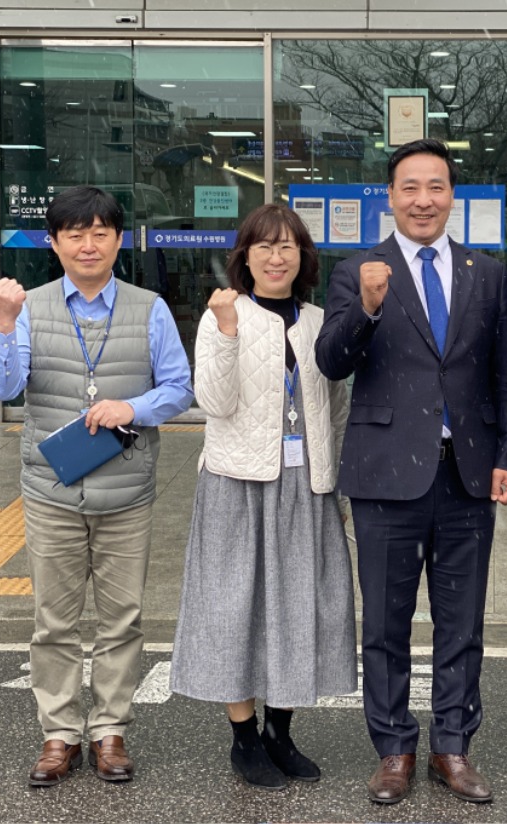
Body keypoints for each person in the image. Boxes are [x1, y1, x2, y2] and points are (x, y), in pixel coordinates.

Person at [315, 138, 507, 805]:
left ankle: (453, 747)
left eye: (436, 186)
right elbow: (330, 361)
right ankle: (394, 748)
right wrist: (368, 308)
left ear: (451, 197)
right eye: (410, 187)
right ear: (391, 196)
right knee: (385, 621)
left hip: (465, 472)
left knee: (462, 623)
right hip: (385, 475)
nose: (423, 199)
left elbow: (504, 374)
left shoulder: (486, 273)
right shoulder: (358, 270)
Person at [0, 185, 194, 786]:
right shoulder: (29, 309)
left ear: (119, 240)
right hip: (51, 491)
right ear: (54, 243)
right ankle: (58, 734)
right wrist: (2, 324)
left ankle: (110, 732)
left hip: (126, 491)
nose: (88, 243)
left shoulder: (149, 307)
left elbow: (180, 387)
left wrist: (134, 406)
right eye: (74, 233)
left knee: (121, 619)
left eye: (100, 232)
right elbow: (3, 388)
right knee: (55, 620)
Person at [169, 204, 356, 790]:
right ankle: (244, 739)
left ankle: (281, 730)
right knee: (236, 609)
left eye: (288, 247)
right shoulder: (223, 317)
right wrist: (226, 333)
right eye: (263, 246)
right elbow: (215, 403)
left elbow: (339, 408)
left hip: (307, 483)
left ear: (303, 257)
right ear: (244, 256)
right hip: (237, 484)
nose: (276, 257)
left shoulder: (322, 321)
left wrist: (338, 476)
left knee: (301, 606)